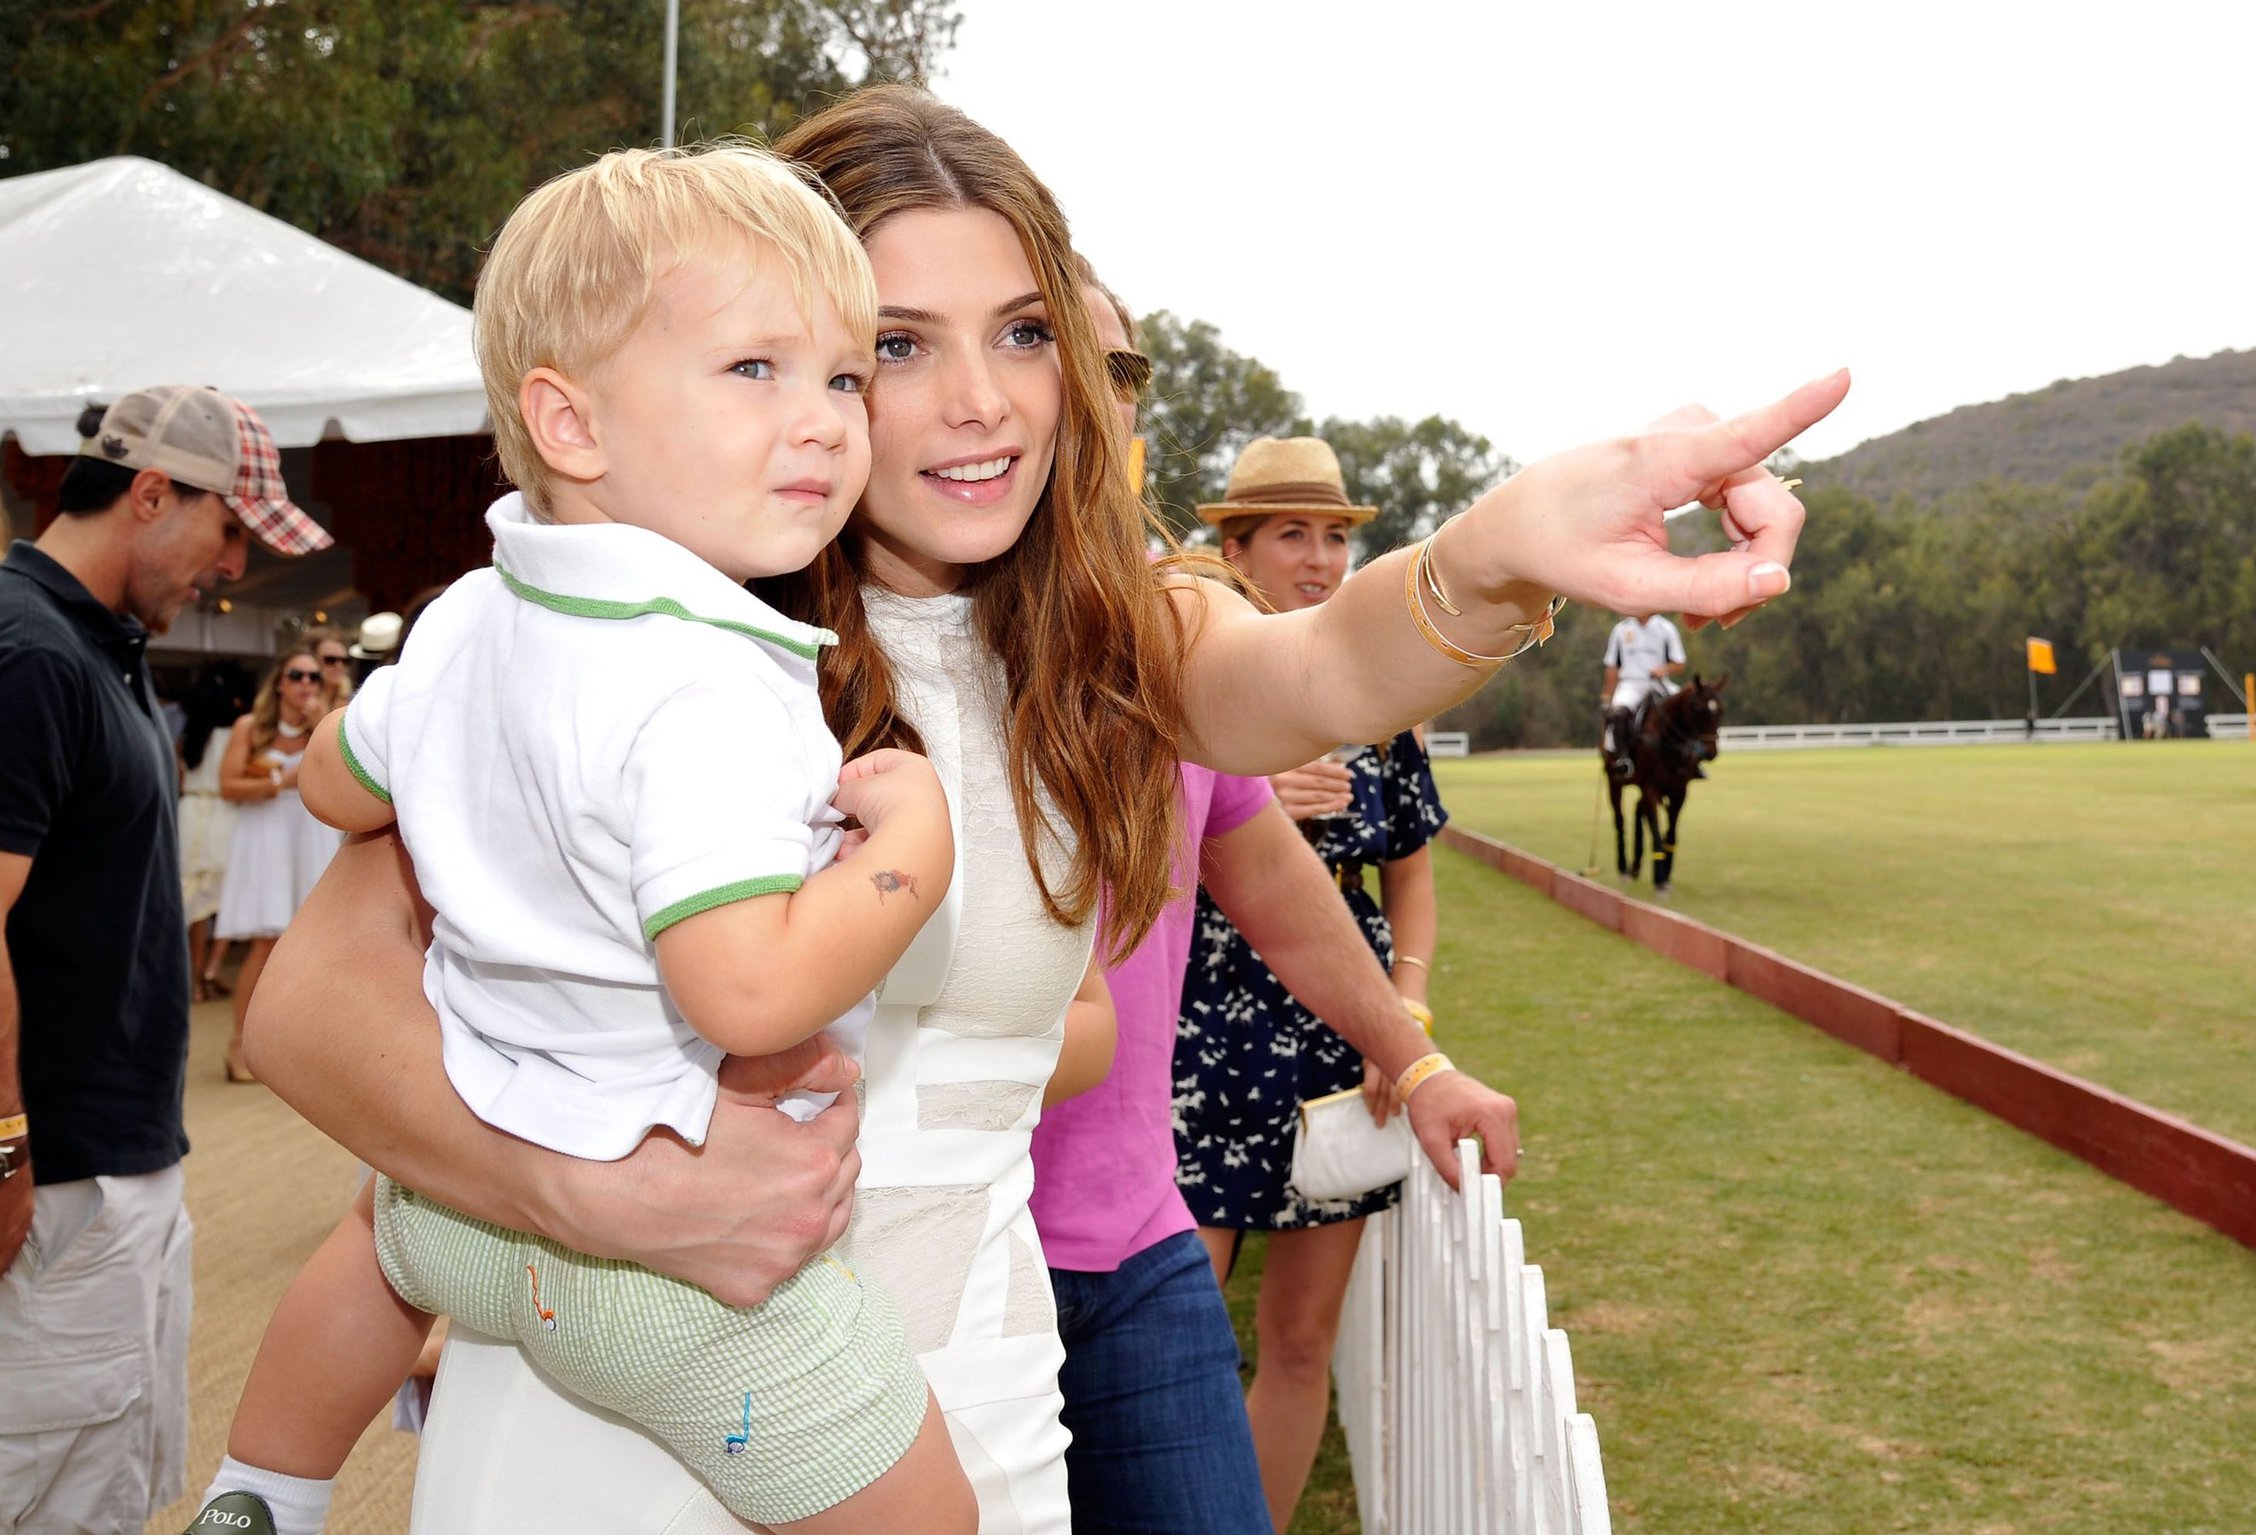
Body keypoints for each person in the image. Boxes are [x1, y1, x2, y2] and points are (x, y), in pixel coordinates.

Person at [241, 85, 1841, 1535]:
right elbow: (305, 1007)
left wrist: (1496, 552)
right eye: (897, 344)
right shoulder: (606, 645)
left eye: (1019, 334)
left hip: (978, 1419)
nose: (980, 402)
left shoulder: (1099, 641)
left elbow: (1325, 665)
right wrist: (595, 1200)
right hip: (624, 1430)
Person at [182, 141, 981, 1535]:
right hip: (681, 1269)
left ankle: (262, 1491)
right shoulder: (710, 678)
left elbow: (335, 793)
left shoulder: (464, 618)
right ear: (570, 422)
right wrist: (910, 848)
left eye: (845, 377)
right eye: (755, 368)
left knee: (372, 1243)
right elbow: (747, 992)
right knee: (933, 1521)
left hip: (451, 1188)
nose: (824, 423)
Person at [1033, 271, 1520, 1534]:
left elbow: (1283, 855)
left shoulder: (1164, 619)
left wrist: (1413, 1054)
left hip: (1134, 1236)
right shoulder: (847, 619)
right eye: (1040, 341)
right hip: (954, 1241)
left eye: (1120, 369)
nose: (1087, 390)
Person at [0, 385, 327, 1534]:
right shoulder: (30, 650)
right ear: (149, 493)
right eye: (228, 528)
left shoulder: (100, 639)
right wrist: (5, 1146)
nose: (232, 565)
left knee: (103, 1477)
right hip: (54, 1169)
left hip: (113, 1154)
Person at [1168, 435, 1455, 1529]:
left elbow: (1411, 874)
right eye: (1292, 533)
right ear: (1234, 549)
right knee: (1172, 1335)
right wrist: (1238, 803)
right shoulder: (1182, 681)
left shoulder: (1375, 703)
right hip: (1198, 1037)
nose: (1321, 558)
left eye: (1335, 535)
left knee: (1299, 1341)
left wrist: (1406, 1011)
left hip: (1342, 1046)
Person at [211, 650, 343, 1081]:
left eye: (314, 677)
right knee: (266, 942)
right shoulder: (250, 726)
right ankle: (239, 1045)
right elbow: (227, 785)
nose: (306, 683)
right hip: (265, 836)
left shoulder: (328, 724)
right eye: (297, 674)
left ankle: (300, 1048)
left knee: (311, 944)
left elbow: (345, 779)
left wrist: (322, 726)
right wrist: (278, 782)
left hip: (310, 833)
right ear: (280, 682)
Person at [178, 661, 251, 1001]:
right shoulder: (234, 736)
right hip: (223, 814)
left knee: (194, 898)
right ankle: (209, 970)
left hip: (190, 812)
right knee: (222, 896)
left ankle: (195, 978)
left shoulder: (189, 739)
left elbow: (180, 778)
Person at [1601, 609, 1688, 777]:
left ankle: (1690, 757)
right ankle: (1623, 759)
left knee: (1686, 706)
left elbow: (1679, 663)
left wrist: (1664, 669)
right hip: (1630, 684)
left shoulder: (1666, 628)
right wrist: (1606, 697)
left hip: (1658, 683)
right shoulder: (1621, 630)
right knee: (1618, 714)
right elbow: (1612, 667)